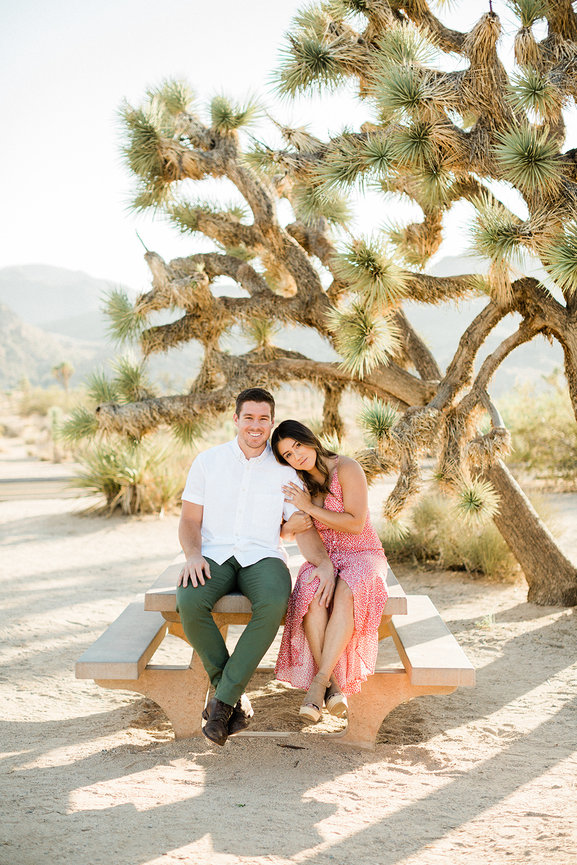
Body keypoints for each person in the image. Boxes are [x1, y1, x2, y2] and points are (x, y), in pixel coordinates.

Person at [176, 388, 334, 746]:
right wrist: (192, 555)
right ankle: (231, 698)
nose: (255, 425)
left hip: (264, 555)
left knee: (275, 602)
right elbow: (188, 520)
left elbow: (301, 524)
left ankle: (221, 702)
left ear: (272, 422)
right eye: (248, 417)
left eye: (263, 419)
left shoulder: (285, 469)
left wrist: (323, 562)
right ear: (235, 419)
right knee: (189, 600)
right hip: (213, 553)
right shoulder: (208, 461)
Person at [271, 419, 389, 723]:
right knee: (310, 589)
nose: (297, 457)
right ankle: (334, 687)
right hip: (325, 557)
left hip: (363, 554)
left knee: (347, 589)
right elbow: (295, 531)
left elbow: (355, 523)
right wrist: (316, 559)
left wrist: (309, 508)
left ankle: (318, 684)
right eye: (288, 455)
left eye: (297, 446)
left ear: (309, 439)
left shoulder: (346, 468)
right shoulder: (299, 484)